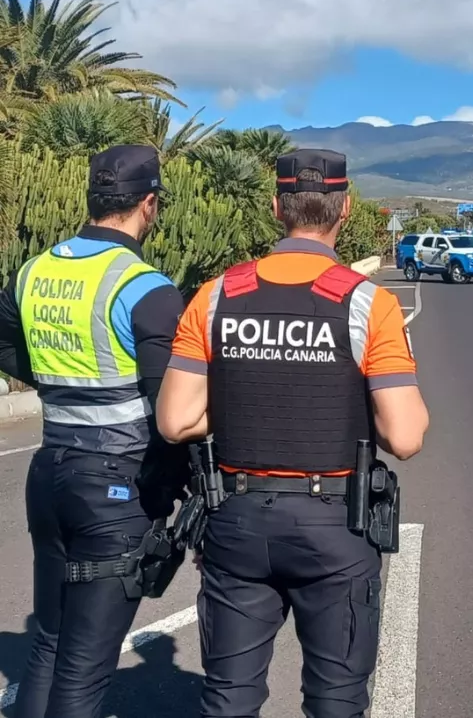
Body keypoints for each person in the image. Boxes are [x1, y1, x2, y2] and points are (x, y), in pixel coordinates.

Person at [155, 148, 430, 718]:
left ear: (276, 206)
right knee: (336, 702)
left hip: (235, 520)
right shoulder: (366, 303)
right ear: (345, 209)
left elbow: (176, 420)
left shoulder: (216, 295)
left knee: (229, 699)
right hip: (334, 526)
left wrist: (241, 402)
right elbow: (404, 436)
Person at [0, 145, 186, 718]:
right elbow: (170, 405)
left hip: (49, 470)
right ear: (148, 204)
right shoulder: (145, 286)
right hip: (115, 484)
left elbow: (8, 347)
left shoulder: (33, 270)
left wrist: (64, 384)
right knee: (85, 670)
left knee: (49, 647)